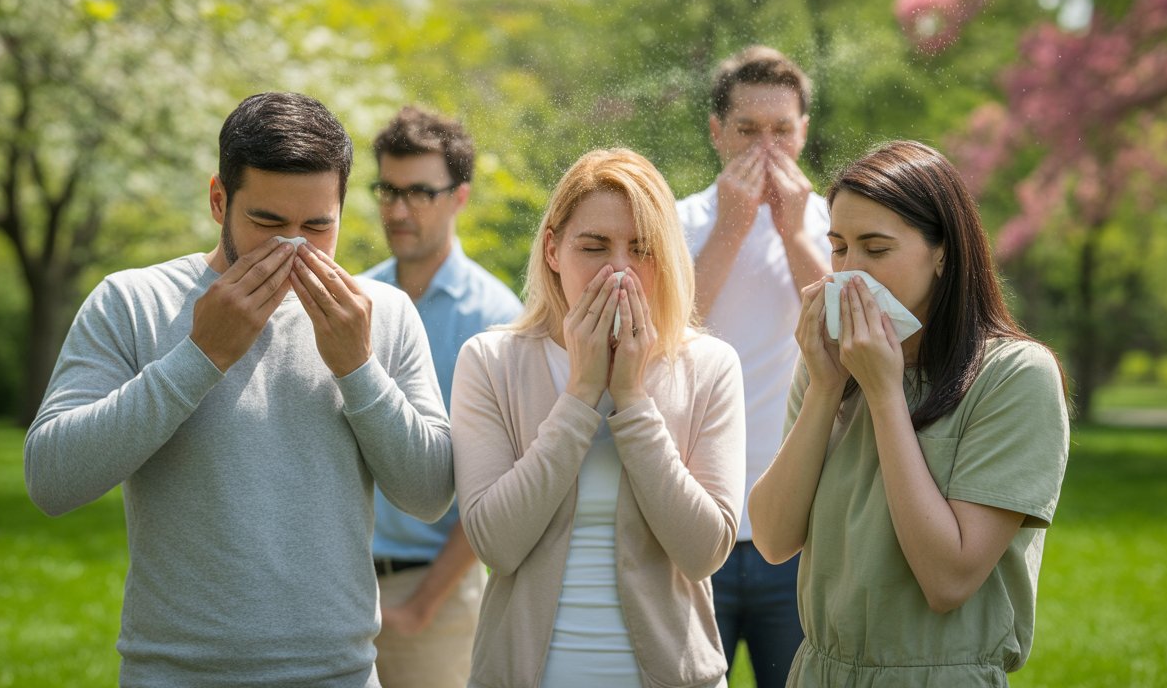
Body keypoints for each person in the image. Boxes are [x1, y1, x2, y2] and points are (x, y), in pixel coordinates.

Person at [24, 92, 455, 687]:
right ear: (218, 200)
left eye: (317, 225)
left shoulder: (383, 313)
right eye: (268, 223)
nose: (293, 248)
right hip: (172, 676)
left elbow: (430, 493)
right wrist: (200, 357)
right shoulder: (132, 302)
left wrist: (358, 369)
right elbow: (51, 480)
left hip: (342, 676)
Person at [748, 140, 1070, 686]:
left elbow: (947, 580)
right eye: (839, 247)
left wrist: (884, 394)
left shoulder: (1015, 376)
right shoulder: (832, 364)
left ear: (942, 252)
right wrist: (826, 389)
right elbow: (775, 540)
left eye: (876, 250)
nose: (851, 273)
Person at [451, 148, 746, 688]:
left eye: (642, 249)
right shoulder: (491, 361)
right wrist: (581, 394)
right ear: (553, 249)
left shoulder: (708, 366)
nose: (619, 270)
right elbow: (495, 542)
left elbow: (704, 551)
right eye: (594, 246)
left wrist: (632, 400)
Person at [675, 45, 830, 685]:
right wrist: (732, 229)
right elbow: (669, 335)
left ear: (804, 131)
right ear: (716, 132)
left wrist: (794, 235)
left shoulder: (832, 225)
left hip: (797, 532)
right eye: (747, 130)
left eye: (782, 131)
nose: (766, 149)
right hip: (690, 524)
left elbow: (852, 337)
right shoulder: (677, 223)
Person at [362, 106, 522, 688]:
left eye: (420, 193)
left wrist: (421, 605)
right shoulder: (358, 298)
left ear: (460, 197)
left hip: (434, 598)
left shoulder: (497, 319)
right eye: (388, 190)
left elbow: (496, 480)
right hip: (342, 587)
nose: (398, 210)